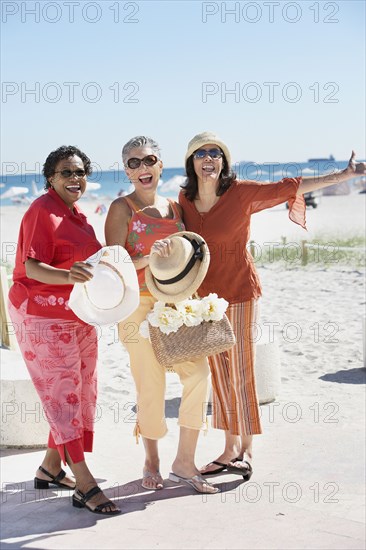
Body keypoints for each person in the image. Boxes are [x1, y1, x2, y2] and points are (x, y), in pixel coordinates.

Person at [179, 131, 366, 479]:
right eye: (201, 153)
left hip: (238, 292)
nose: (209, 159)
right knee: (219, 374)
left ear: (224, 161)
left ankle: (246, 450)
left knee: (241, 371)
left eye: (215, 153)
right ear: (191, 161)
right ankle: (228, 449)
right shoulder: (184, 199)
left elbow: (289, 185)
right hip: (203, 300)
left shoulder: (241, 193)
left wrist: (342, 175)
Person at [8, 145, 121, 515]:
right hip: (41, 314)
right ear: (50, 178)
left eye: (80, 172)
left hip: (77, 313)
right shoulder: (42, 210)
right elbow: (32, 267)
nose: (75, 178)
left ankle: (50, 469)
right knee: (63, 395)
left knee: (83, 389)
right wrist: (67, 275)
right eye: (66, 172)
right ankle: (84, 483)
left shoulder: (79, 217)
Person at [104, 136, 219, 494]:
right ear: (126, 170)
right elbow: (112, 264)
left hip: (174, 302)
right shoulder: (121, 209)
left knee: (198, 372)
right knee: (150, 382)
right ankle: (151, 460)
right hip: (136, 305)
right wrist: (149, 255)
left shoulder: (174, 207)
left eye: (148, 160)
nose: (142, 168)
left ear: (159, 165)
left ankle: (184, 463)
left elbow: (183, 258)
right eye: (134, 162)